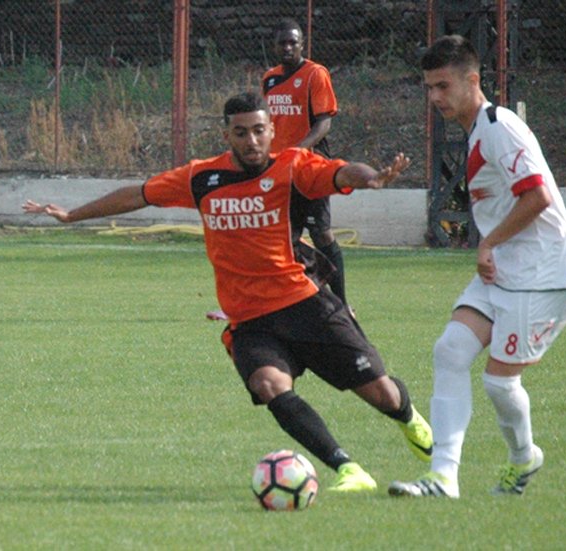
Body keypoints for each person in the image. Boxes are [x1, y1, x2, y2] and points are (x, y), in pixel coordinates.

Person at [24, 92, 433, 493]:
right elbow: (140, 193)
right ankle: (348, 469)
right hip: (251, 320)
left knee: (382, 394)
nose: (251, 141)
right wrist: (73, 215)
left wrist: (372, 178)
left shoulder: (292, 167)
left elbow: (341, 173)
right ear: (227, 136)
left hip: (306, 306)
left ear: (272, 131)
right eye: (241, 133)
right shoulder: (202, 178)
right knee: (269, 385)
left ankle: (407, 416)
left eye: (259, 131)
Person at [388, 35, 566, 499]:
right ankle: (443, 477)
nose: (435, 97)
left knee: (499, 383)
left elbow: (537, 197)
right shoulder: (477, 130)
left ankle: (524, 457)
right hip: (506, 269)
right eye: (429, 87)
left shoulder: (500, 127)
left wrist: (490, 243)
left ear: (473, 80)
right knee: (450, 351)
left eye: (443, 86)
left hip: (545, 274)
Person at [206, 18, 347, 321]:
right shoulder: (270, 79)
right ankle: (252, 304)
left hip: (308, 166)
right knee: (271, 237)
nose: (287, 47)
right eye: (282, 43)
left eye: (293, 42)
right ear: (274, 46)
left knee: (321, 234)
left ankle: (343, 305)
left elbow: (324, 122)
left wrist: (298, 150)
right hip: (276, 171)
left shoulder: (315, 74)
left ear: (302, 44)